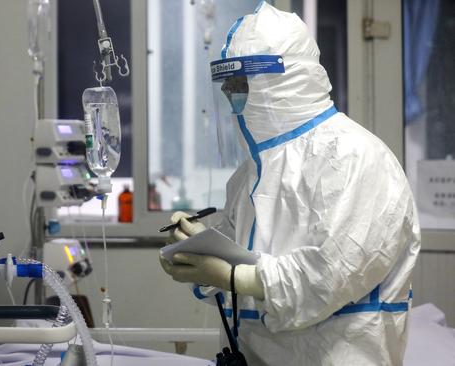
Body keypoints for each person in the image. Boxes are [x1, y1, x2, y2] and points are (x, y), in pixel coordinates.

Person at [159, 2, 421, 365]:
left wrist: (236, 276)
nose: (232, 97)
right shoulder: (251, 174)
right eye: (228, 85)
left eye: (241, 84)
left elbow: (330, 276)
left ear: (282, 80)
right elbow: (241, 271)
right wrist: (201, 251)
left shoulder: (355, 158)